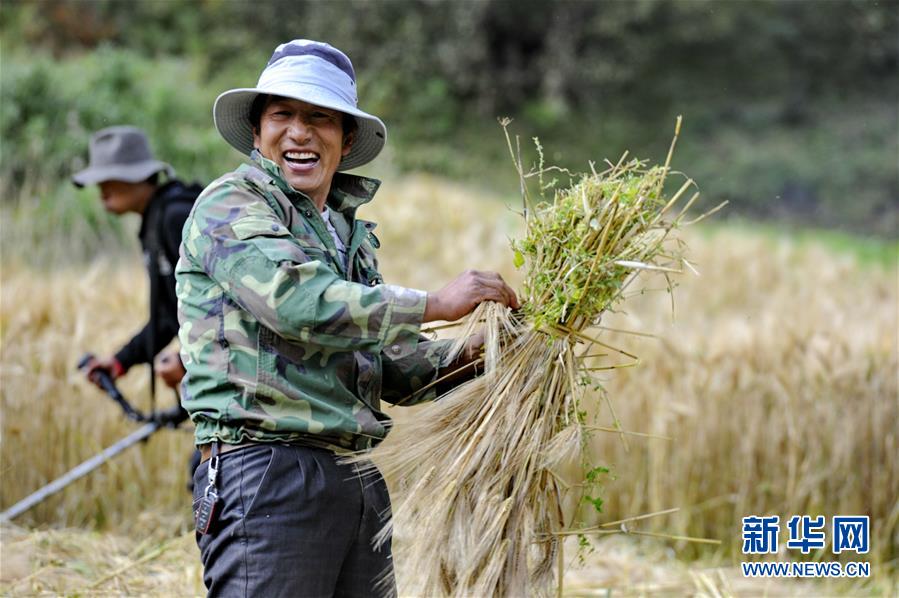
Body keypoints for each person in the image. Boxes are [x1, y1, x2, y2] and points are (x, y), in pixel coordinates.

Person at [177, 39, 519, 596]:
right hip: (266, 471)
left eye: (320, 118)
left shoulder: (344, 234)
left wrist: (494, 348)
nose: (299, 133)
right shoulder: (231, 204)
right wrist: (434, 303)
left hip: (354, 476)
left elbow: (391, 368)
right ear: (258, 131)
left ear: (347, 138)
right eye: (282, 115)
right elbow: (294, 303)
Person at [73, 126, 201, 396]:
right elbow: (168, 316)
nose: (101, 190)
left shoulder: (177, 217)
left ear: (138, 176)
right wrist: (121, 361)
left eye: (109, 179)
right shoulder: (154, 220)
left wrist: (188, 362)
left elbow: (223, 305)